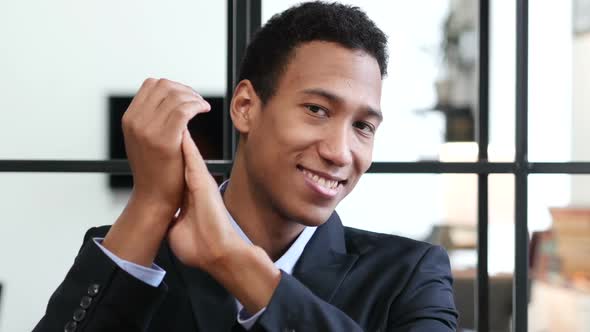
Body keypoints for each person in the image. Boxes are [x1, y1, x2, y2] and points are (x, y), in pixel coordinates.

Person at [34, 2, 457, 331]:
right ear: (245, 107)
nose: (341, 152)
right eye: (316, 109)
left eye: (363, 126)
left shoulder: (409, 275)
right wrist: (152, 201)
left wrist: (234, 260)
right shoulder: (137, 254)